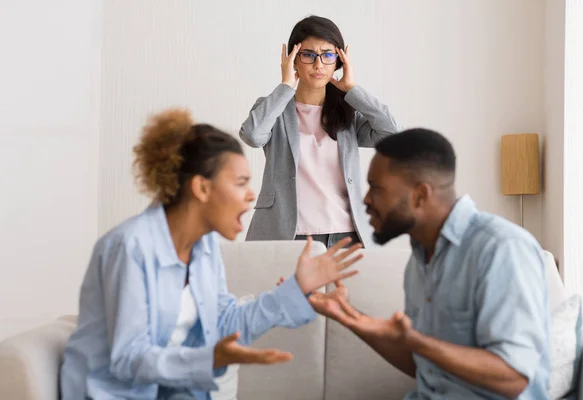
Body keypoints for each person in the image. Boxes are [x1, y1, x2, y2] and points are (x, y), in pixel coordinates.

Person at [59, 109, 363, 400]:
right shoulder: (130, 247)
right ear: (202, 188)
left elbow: (225, 322)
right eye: (241, 182)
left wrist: (295, 289)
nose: (251, 195)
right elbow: (127, 359)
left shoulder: (204, 250)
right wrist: (208, 359)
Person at [309, 128, 551, 399]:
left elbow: (515, 377)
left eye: (376, 189)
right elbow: (424, 365)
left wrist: (417, 341)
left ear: (420, 196)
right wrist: (353, 319)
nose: (365, 200)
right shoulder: (420, 258)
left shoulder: (501, 248)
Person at [239, 15, 400, 249]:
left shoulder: (348, 113)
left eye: (327, 55)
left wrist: (353, 90)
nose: (319, 64)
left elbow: (393, 135)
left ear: (339, 61)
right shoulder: (273, 108)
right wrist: (285, 86)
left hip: (347, 235)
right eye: (308, 55)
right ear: (293, 59)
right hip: (286, 234)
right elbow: (252, 135)